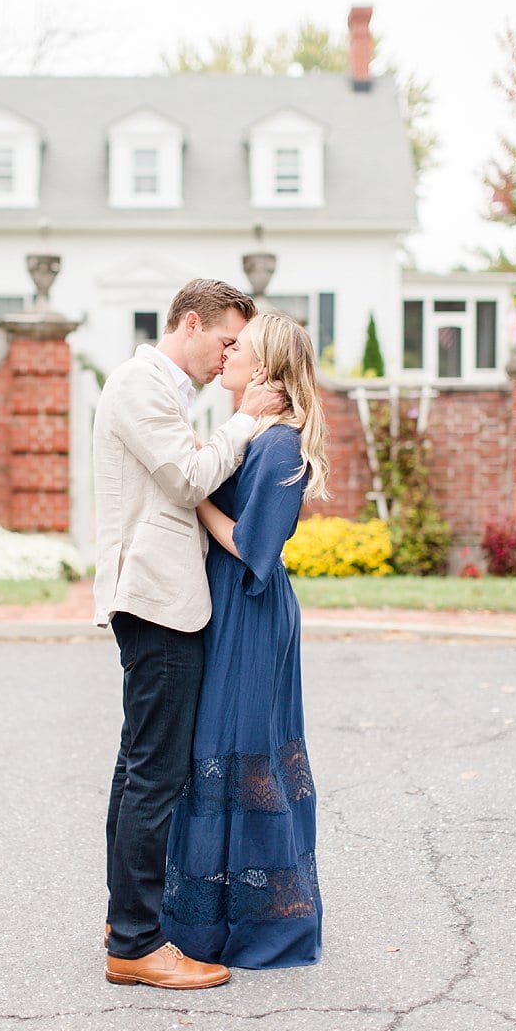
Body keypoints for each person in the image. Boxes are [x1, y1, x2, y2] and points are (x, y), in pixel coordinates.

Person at [95, 277, 280, 990]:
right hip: (157, 599)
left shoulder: (165, 391)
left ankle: (126, 922)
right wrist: (247, 421)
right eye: (228, 342)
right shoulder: (141, 384)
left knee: (137, 767)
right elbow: (185, 479)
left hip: (159, 597)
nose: (229, 357)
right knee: (156, 774)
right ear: (192, 324)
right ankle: (137, 944)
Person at [161, 311, 332, 969]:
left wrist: (190, 492)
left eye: (239, 348)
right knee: (218, 749)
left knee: (238, 751)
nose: (225, 354)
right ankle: (207, 923)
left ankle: (267, 928)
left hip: (250, 609)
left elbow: (253, 546)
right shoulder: (253, 434)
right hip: (229, 606)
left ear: (263, 370)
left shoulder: (281, 444)